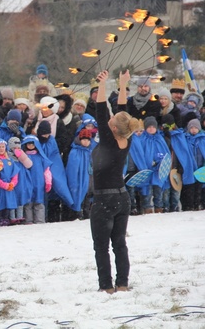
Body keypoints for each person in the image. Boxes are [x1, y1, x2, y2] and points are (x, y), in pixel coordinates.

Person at [90, 69, 140, 294]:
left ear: (112, 128)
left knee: (101, 247)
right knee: (119, 244)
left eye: (111, 120)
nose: (109, 118)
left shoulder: (109, 140)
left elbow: (102, 110)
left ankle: (106, 287)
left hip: (104, 199)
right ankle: (122, 284)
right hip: (122, 197)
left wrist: (102, 84)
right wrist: (121, 84)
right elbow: (123, 112)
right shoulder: (125, 139)